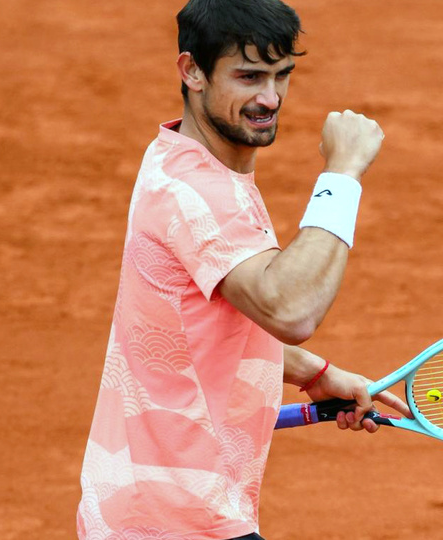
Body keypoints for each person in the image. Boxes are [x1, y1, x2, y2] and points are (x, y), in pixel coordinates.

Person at [76, 1, 411, 538]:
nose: (270, 99)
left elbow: (196, 330)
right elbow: (291, 310)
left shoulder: (176, 160)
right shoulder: (200, 193)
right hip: (181, 518)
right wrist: (343, 174)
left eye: (281, 76)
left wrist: (315, 373)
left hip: (150, 504)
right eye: (249, 76)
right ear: (192, 71)